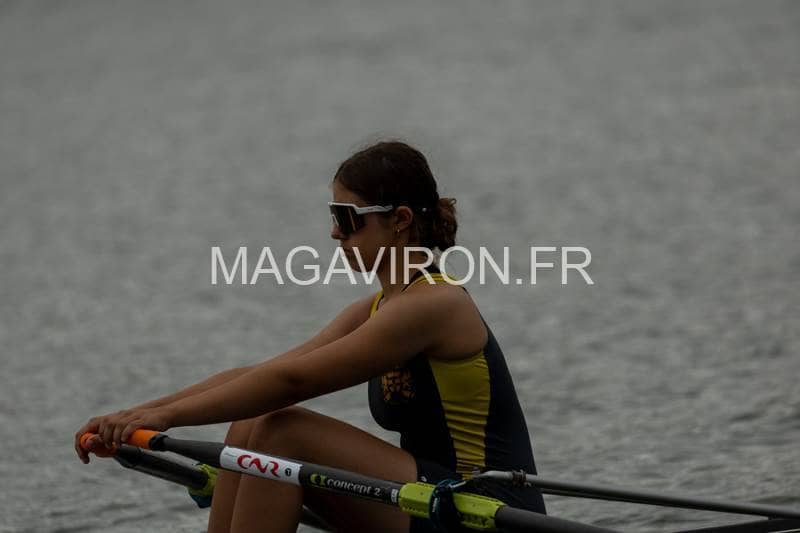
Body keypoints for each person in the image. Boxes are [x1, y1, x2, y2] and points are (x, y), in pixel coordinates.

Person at [74, 140, 546, 532]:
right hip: (430, 498)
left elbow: (292, 382)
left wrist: (167, 417)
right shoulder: (376, 308)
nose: (335, 233)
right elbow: (269, 372)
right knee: (252, 423)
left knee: (283, 432)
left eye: (347, 218)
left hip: (486, 509)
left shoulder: (435, 305)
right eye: (334, 216)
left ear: (400, 220)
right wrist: (138, 415)